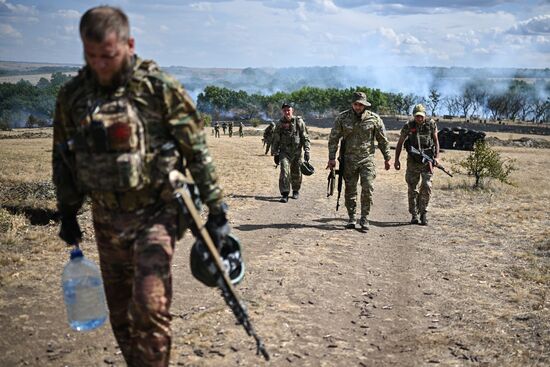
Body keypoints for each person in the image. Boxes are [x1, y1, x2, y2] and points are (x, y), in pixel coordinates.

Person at [51, 6, 234, 366]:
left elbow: (195, 150)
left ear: (129, 44)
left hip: (156, 214)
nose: (100, 65)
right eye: (91, 56)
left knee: (149, 307)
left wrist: (217, 210)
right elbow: (64, 158)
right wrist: (68, 211)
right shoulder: (73, 97)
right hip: (106, 219)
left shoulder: (158, 89)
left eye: (109, 55)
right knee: (121, 315)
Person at [327, 91, 391, 230]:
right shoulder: (342, 118)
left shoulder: (374, 119)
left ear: (365, 105)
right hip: (348, 160)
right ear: (352, 104)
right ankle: (351, 217)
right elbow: (333, 138)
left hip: (367, 159)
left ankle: (364, 218)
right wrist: (332, 158)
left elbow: (382, 140)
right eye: (356, 104)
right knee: (350, 190)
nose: (358, 107)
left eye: (361, 105)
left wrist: (387, 158)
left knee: (367, 187)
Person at [394, 104, 440, 225]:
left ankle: (423, 213)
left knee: (426, 186)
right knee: (412, 188)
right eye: (417, 116)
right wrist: (396, 160)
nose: (419, 119)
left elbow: (436, 140)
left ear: (425, 115)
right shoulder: (408, 125)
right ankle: (414, 214)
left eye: (421, 116)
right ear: (414, 116)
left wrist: (437, 157)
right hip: (413, 161)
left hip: (427, 160)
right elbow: (400, 143)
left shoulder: (431, 124)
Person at [271, 102, 310, 203]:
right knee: (284, 171)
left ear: (292, 110)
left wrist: (307, 150)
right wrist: (275, 153)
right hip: (284, 152)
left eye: (288, 110)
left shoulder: (299, 122)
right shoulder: (279, 123)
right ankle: (285, 193)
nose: (287, 112)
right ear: (282, 111)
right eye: (285, 110)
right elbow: (276, 139)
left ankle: (296, 190)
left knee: (296, 172)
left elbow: (305, 137)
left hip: (297, 152)